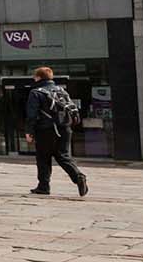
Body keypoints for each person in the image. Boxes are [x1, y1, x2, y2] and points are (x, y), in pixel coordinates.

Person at [24, 66, 88, 197]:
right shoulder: (61, 90)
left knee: (43, 157)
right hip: (65, 128)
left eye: (35, 76)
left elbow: (32, 115)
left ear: (39, 77)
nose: (34, 78)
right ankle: (78, 177)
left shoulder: (36, 92)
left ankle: (43, 186)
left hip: (45, 130)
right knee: (63, 156)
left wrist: (29, 132)